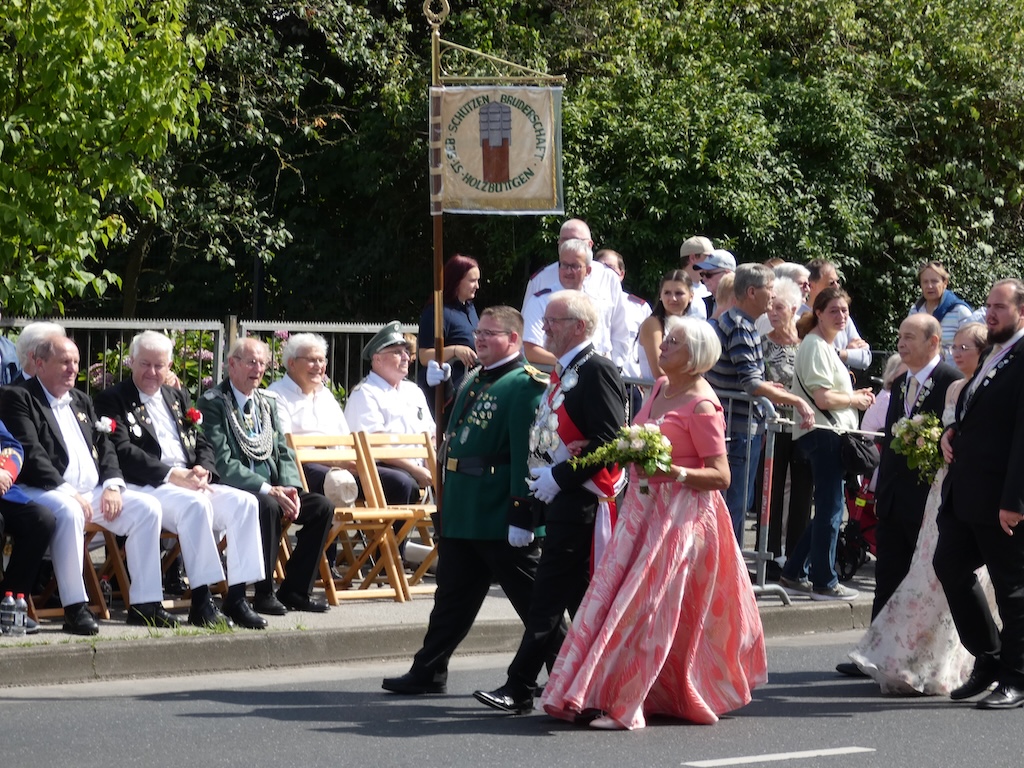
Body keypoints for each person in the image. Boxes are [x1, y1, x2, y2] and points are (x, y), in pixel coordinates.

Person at [540, 315, 767, 730]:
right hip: (642, 510)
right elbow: (637, 435)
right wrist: (632, 450)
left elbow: (721, 475)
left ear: (694, 355)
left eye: (673, 342)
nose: (663, 347)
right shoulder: (661, 387)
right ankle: (622, 693)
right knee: (616, 601)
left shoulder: (703, 403)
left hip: (681, 518)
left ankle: (626, 706)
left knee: (648, 610)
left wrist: (674, 473)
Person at [381, 306, 548, 696]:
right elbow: (463, 429)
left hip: (497, 511)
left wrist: (523, 512)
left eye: (492, 333)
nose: (481, 338)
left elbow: (527, 452)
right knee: (451, 598)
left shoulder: (526, 385)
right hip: (464, 509)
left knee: (537, 602)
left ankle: (569, 673)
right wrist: (441, 392)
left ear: (513, 339)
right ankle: (429, 669)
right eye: (480, 332)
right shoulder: (474, 376)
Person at [474, 291, 626, 715]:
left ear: (579, 325)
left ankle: (520, 685)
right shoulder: (563, 370)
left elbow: (611, 441)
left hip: (582, 502)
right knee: (579, 600)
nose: (545, 327)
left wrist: (560, 477)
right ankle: (600, 684)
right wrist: (527, 508)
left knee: (545, 599)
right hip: (559, 502)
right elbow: (542, 442)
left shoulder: (596, 369)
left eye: (555, 320)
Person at [844, 322, 987, 693]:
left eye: (909, 337)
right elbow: (891, 439)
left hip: (930, 498)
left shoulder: (950, 379)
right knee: (887, 578)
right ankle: (877, 656)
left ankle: (930, 659)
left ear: (931, 342)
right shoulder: (903, 380)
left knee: (927, 585)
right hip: (894, 496)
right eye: (900, 336)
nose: (900, 343)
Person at [94, 331, 268, 630]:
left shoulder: (176, 396)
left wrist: (203, 468)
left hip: (189, 480)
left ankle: (236, 597)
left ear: (169, 365)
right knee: (194, 505)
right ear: (131, 362)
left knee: (245, 502)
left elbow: (203, 443)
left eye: (159, 366)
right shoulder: (113, 399)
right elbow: (122, 451)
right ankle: (201, 600)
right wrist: (173, 475)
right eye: (145, 364)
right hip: (149, 485)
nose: (152, 372)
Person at [0, 336, 173, 634]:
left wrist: (112, 486)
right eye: (64, 362)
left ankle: (145, 604)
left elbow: (105, 446)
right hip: (43, 490)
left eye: (76, 362)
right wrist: (67, 491)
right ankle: (75, 607)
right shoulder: (18, 396)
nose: (72, 369)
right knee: (68, 511)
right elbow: (30, 453)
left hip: (90, 491)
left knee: (147, 508)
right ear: (39, 363)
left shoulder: (82, 400)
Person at [933, 279, 1024, 709]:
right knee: (948, 564)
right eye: (988, 305)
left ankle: (1017, 677)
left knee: (1013, 588)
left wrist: (1015, 501)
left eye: (1000, 307)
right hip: (967, 490)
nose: (990, 313)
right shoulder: (994, 351)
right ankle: (989, 658)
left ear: (1021, 311)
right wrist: (951, 432)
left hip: (1001, 498)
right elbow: (976, 412)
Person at [198, 337, 333, 615]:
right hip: (239, 489)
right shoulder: (214, 402)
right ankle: (263, 592)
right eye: (251, 362)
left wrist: (291, 487)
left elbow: (282, 450)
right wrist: (266, 489)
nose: (258, 369)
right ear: (231, 365)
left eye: (262, 363)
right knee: (268, 505)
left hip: (275, 487)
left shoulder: (267, 402)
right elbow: (222, 462)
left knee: (321, 507)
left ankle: (295, 590)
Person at [706, 263, 816, 546]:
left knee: (733, 505)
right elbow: (751, 383)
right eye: (770, 289)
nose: (772, 295)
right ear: (752, 291)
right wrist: (797, 402)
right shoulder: (742, 327)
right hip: (740, 430)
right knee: (735, 507)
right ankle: (728, 576)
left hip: (735, 425)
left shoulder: (734, 322)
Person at [780, 286, 875, 601]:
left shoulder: (824, 346)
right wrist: (856, 398)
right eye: (834, 310)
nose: (841, 315)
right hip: (824, 433)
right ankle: (824, 581)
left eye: (845, 311)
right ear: (817, 312)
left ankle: (794, 571)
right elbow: (823, 397)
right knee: (831, 509)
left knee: (828, 509)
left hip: (828, 433)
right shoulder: (816, 346)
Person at [753, 277, 812, 578]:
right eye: (769, 308)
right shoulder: (761, 344)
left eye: (778, 307)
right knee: (771, 493)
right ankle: (771, 555)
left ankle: (797, 558)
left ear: (793, 308)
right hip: (772, 427)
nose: (772, 313)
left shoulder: (807, 346)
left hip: (802, 427)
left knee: (802, 493)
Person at [345, 322, 436, 515]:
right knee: (403, 483)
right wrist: (417, 470)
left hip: (418, 467)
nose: (406, 357)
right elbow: (377, 447)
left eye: (405, 351)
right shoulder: (366, 393)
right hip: (379, 468)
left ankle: (447, 541)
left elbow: (431, 435)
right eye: (397, 352)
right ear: (377, 359)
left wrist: (433, 468)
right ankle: (391, 544)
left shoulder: (413, 391)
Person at [521, 237, 628, 369]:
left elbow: (611, 342)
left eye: (575, 266)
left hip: (596, 373)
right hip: (554, 377)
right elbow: (532, 352)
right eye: (564, 265)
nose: (568, 271)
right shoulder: (540, 301)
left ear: (588, 271)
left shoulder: (596, 302)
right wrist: (577, 363)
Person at [0, 419, 55, 634]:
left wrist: (6, 473)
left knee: (41, 520)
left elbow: (12, 447)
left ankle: (9, 603)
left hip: (4, 491)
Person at [416, 254, 480, 429]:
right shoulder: (437, 311)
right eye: (472, 280)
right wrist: (455, 350)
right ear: (457, 281)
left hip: (471, 384)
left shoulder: (470, 308)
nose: (477, 286)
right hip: (447, 393)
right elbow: (424, 356)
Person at [802, 259, 872, 371]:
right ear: (812, 286)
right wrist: (848, 353)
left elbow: (865, 358)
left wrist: (841, 353)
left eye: (837, 282)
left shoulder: (843, 318)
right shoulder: (798, 316)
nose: (836, 287)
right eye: (831, 283)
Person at [595, 248, 652, 385]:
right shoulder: (584, 304)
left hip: (632, 382)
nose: (604, 272)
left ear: (621, 274)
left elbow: (650, 347)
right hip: (597, 380)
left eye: (609, 267)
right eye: (600, 266)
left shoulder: (640, 308)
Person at [907, 260, 973, 356]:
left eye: (934, 281)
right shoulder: (915, 312)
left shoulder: (960, 312)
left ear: (945, 283)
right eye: (925, 282)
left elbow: (970, 348)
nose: (929, 286)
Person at [678, 236, 714, 319]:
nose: (712, 262)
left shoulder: (709, 289)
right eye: (708, 257)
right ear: (692, 258)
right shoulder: (675, 291)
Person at [695, 249, 736, 319]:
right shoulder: (702, 304)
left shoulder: (744, 303)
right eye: (702, 274)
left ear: (727, 273)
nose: (704, 279)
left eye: (709, 274)